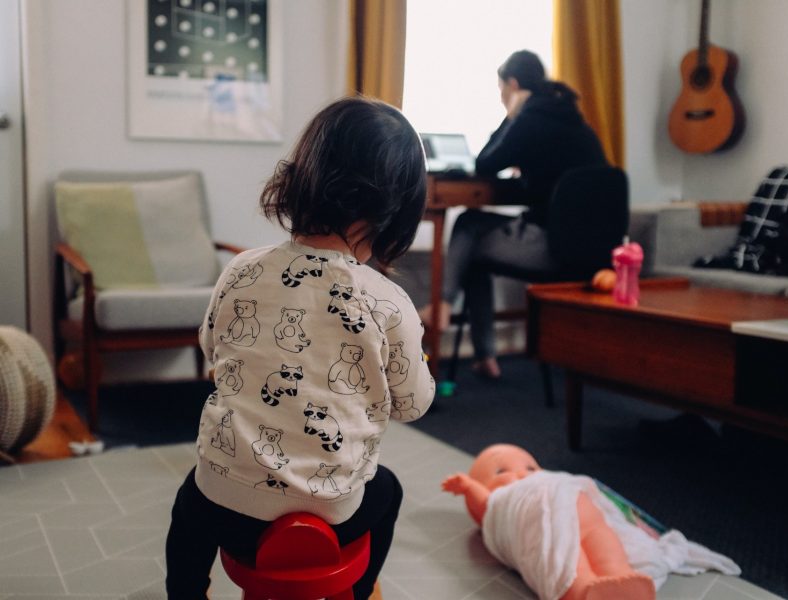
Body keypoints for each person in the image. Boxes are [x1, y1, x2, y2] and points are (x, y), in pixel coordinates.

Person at [165, 96, 436, 600]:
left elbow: (212, 347)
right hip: (331, 515)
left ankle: (184, 593)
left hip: (227, 507)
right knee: (389, 490)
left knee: (190, 501)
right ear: (397, 210)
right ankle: (356, 590)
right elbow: (413, 404)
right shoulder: (390, 303)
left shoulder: (242, 269)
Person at [419, 50, 608, 378]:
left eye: (501, 91)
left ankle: (444, 306)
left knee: (467, 222)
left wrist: (511, 116)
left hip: (552, 248)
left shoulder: (532, 116)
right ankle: (485, 357)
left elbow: (485, 162)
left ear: (513, 84)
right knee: (474, 254)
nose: (501, 97)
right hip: (591, 251)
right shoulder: (571, 117)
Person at [442, 444, 656, 600]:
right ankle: (583, 590)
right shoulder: (502, 500)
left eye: (531, 467)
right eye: (501, 472)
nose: (520, 472)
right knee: (564, 556)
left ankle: (621, 576)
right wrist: (469, 487)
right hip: (546, 520)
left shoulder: (549, 478)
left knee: (605, 543)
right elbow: (487, 506)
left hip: (583, 512)